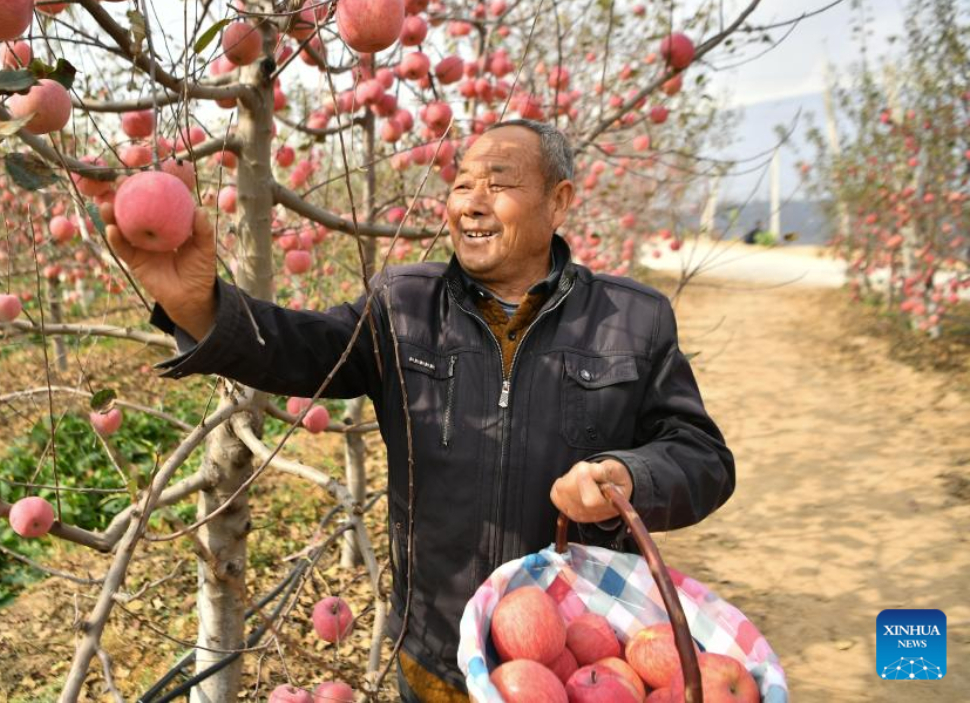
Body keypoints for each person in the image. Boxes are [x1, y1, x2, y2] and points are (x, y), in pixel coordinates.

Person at [106, 120, 735, 701]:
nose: (471, 202)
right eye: (461, 184)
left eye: (500, 184)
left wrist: (629, 476)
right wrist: (202, 308)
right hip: (437, 649)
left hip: (575, 661)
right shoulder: (403, 305)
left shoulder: (632, 319)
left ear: (560, 201)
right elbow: (304, 352)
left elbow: (702, 457)